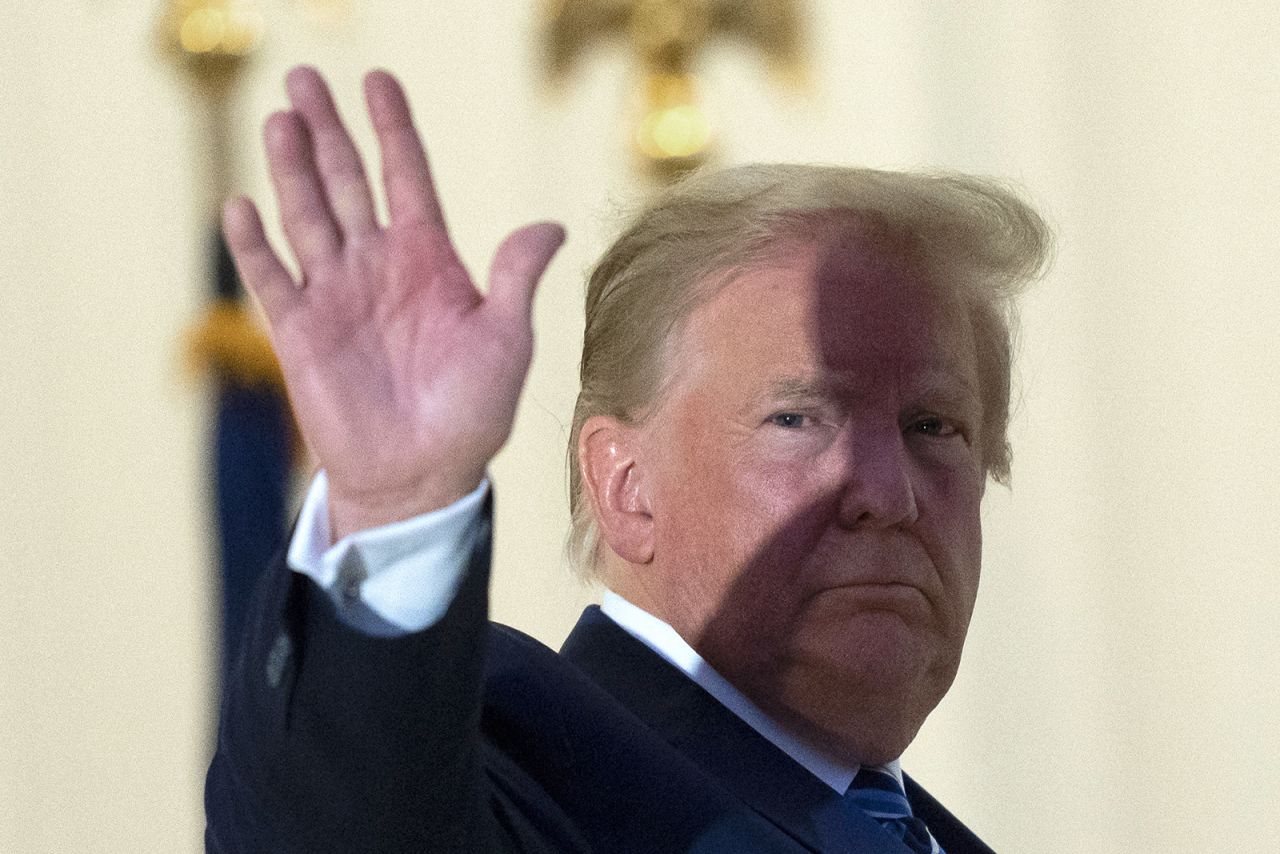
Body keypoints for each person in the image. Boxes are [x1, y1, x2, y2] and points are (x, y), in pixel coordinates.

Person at [205, 65, 1050, 853]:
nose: (886, 490)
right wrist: (397, 508)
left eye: (933, 428)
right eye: (799, 418)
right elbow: (350, 818)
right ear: (625, 487)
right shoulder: (519, 767)